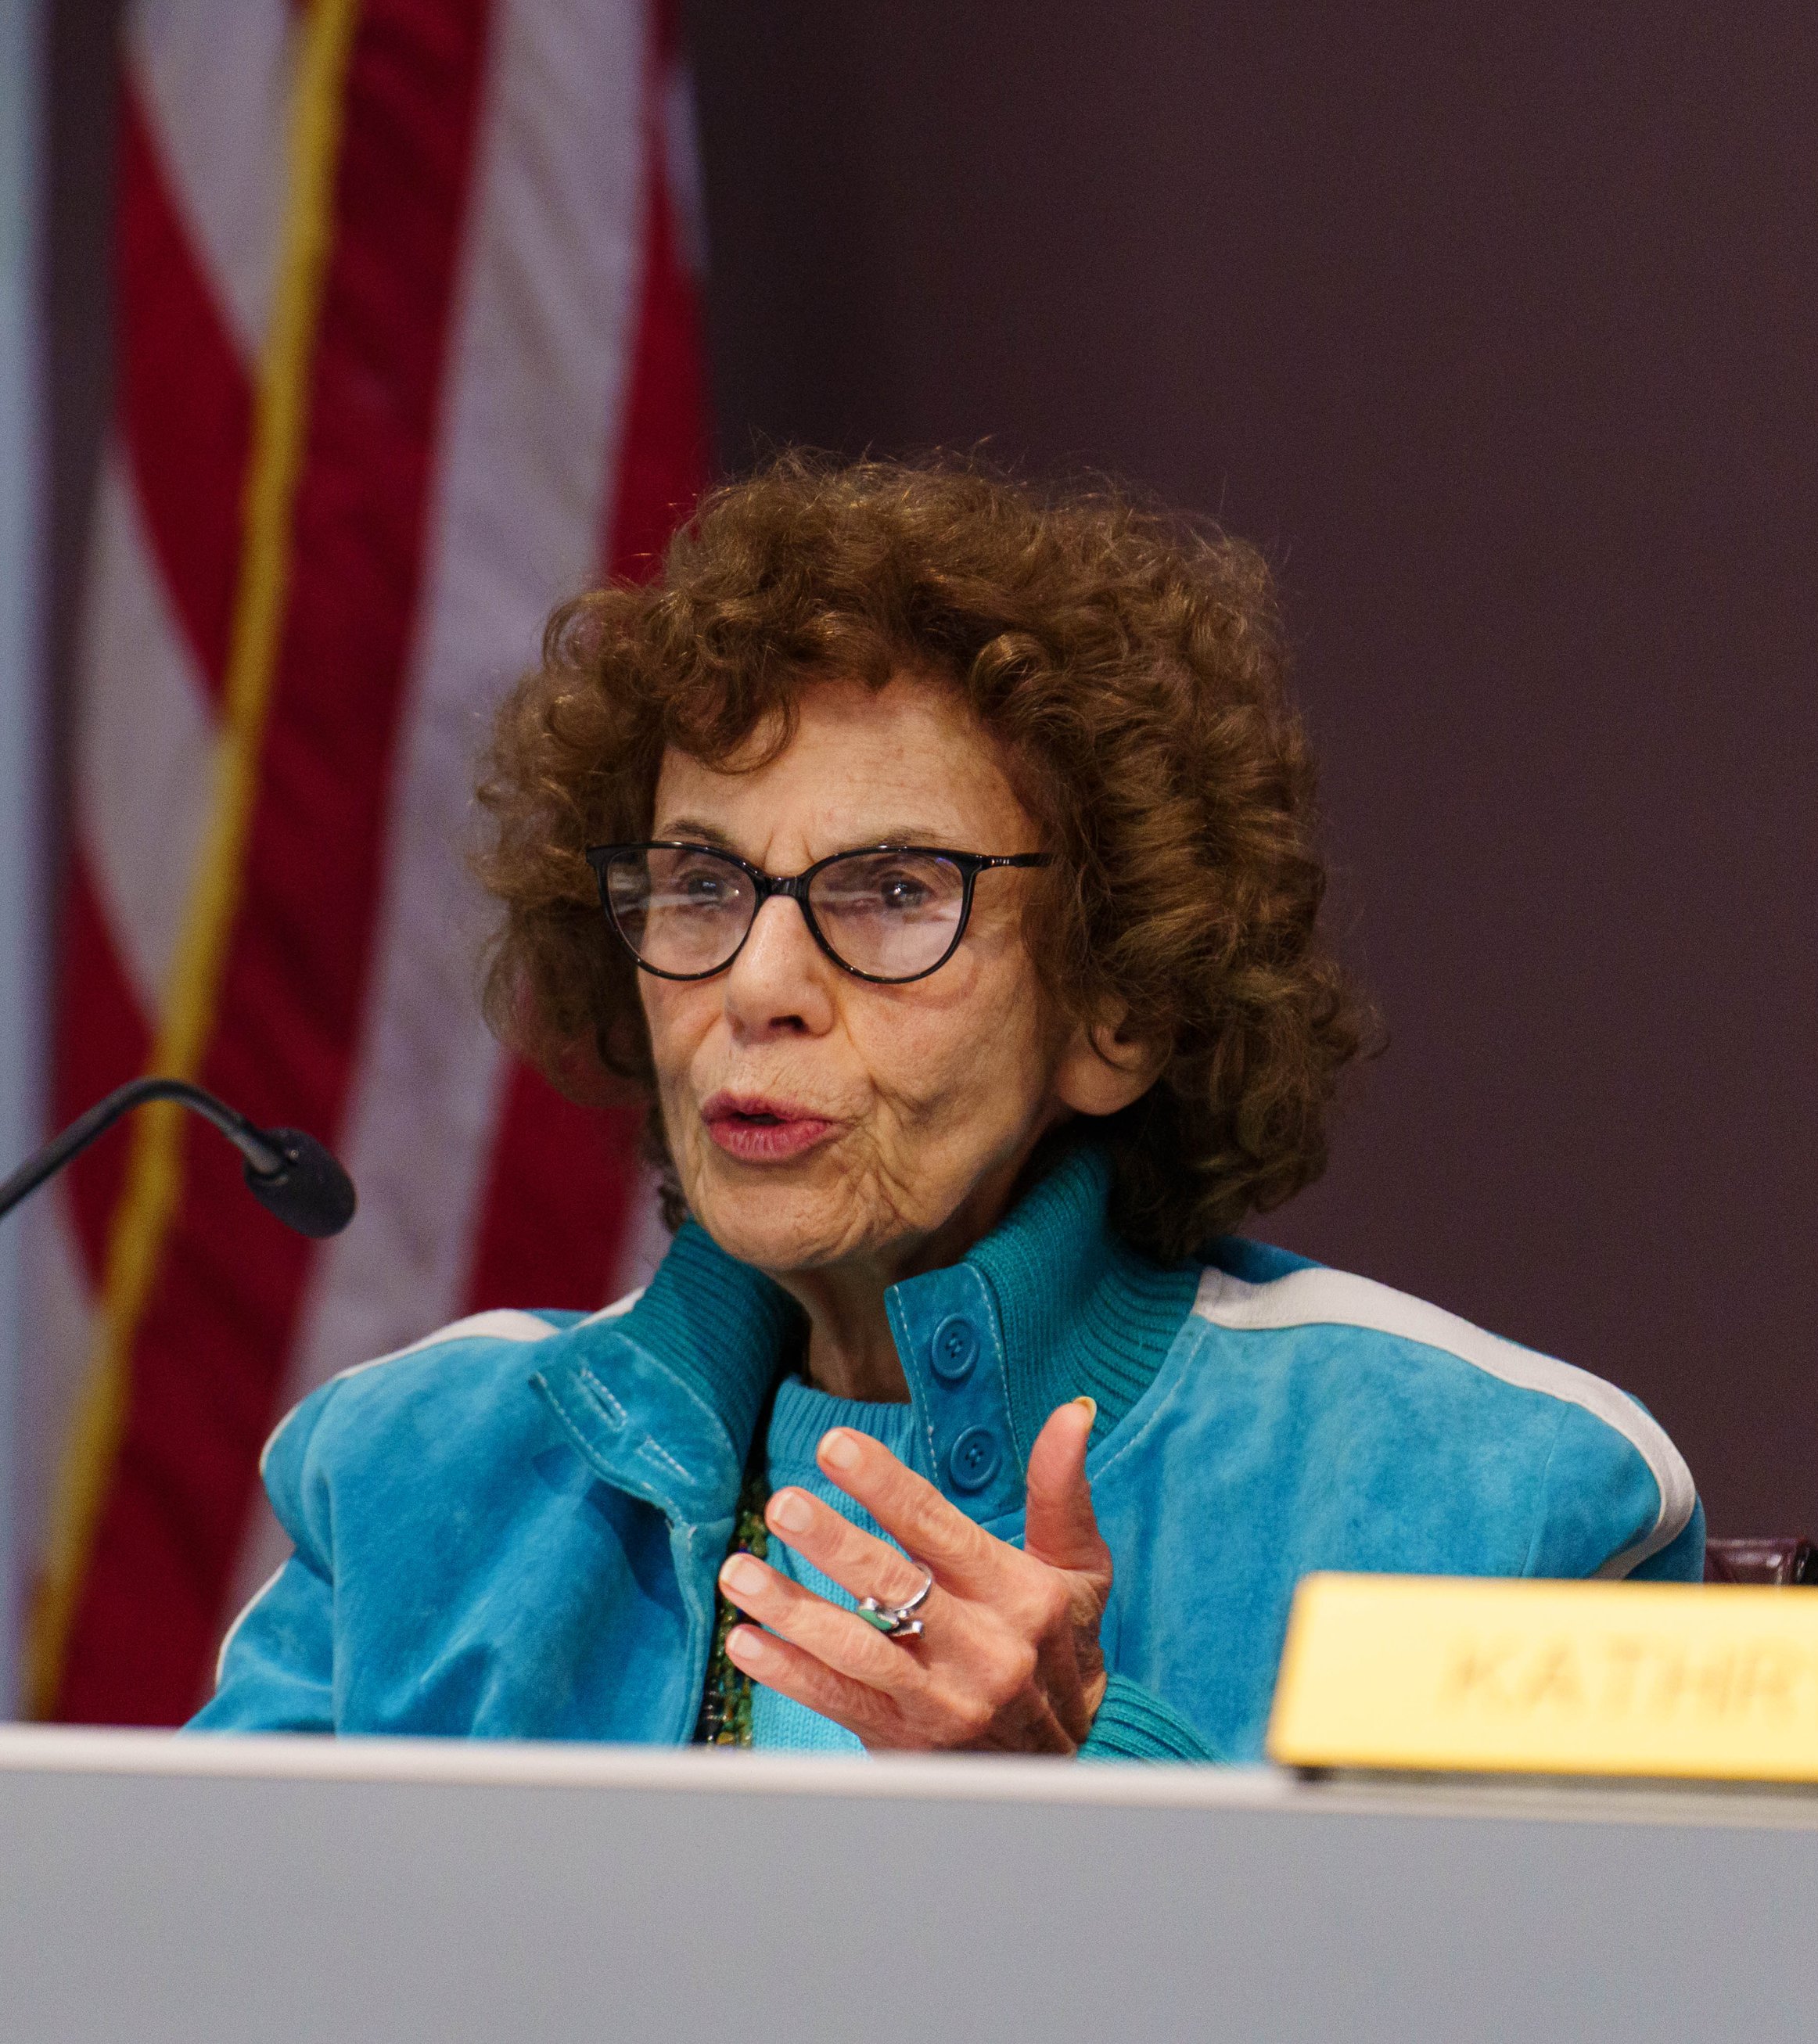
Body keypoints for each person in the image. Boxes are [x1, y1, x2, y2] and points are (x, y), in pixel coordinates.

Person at [192, 456, 1701, 1759]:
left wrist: (1091, 1789)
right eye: (702, 883)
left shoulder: (1492, 1502)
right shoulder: (408, 1474)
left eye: (895, 890)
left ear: (1118, 1005)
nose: (758, 984)